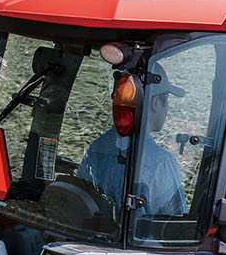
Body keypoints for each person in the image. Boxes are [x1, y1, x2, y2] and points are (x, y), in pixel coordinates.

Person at [77, 62, 187, 219]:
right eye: (166, 100)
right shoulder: (161, 164)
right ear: (155, 103)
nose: (167, 108)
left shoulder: (97, 148)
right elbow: (175, 228)